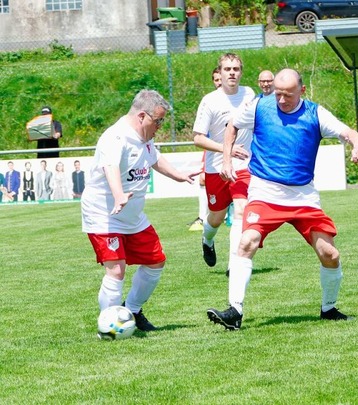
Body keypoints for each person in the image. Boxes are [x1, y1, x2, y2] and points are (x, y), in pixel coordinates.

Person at [207, 68, 358, 330]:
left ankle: (328, 309)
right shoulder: (260, 105)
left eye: (288, 95)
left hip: (303, 196)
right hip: (265, 192)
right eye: (278, 94)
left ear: (302, 91)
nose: (281, 100)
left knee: (329, 254)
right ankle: (234, 311)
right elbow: (232, 126)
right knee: (246, 241)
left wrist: (357, 145)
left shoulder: (316, 113)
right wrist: (225, 160)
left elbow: (347, 131)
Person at [81, 89, 197, 334]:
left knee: (156, 262)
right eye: (158, 121)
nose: (160, 126)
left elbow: (154, 158)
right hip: (104, 214)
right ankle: (108, 325)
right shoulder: (115, 137)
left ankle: (132, 310)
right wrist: (119, 194)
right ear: (142, 116)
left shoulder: (145, 137)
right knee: (116, 269)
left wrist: (178, 175)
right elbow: (110, 166)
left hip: (133, 217)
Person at [192, 53, 256, 271]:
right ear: (219, 72)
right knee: (216, 217)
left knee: (240, 210)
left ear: (241, 72)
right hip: (216, 167)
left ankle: (234, 264)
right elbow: (198, 138)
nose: (232, 73)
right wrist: (226, 149)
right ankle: (207, 240)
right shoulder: (210, 101)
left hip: (244, 166)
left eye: (236, 69)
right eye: (227, 69)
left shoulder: (249, 94)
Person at [189, 67, 223, 231]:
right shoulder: (209, 102)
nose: (219, 83)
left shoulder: (242, 98)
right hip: (215, 156)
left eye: (220, 79)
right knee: (203, 180)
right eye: (216, 80)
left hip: (239, 156)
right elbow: (201, 137)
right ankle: (203, 217)